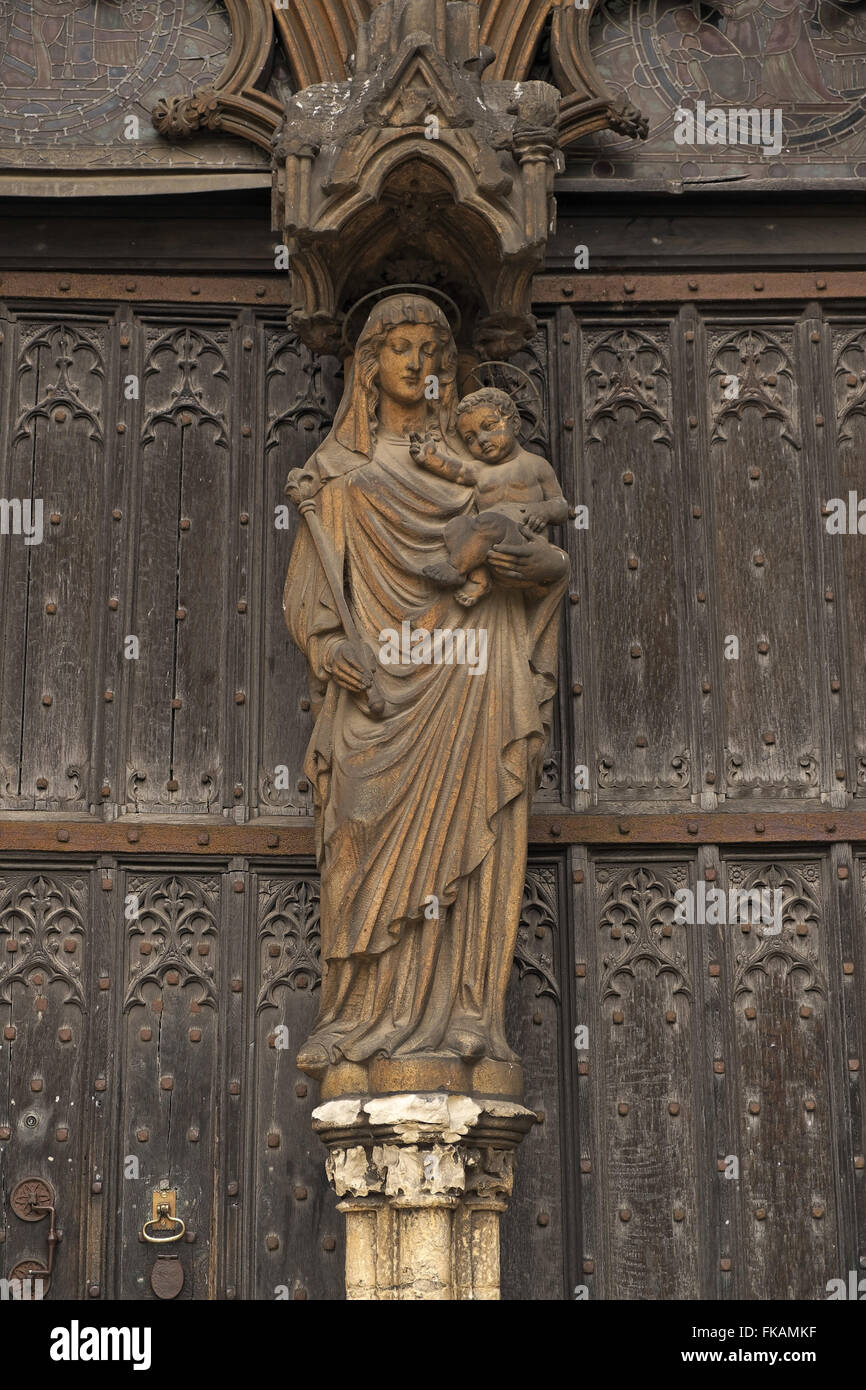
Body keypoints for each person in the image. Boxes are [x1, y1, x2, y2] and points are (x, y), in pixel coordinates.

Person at [283, 294, 568, 1089]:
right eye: (400, 348)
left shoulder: (479, 468)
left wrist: (529, 566)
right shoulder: (336, 476)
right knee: (358, 830)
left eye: (430, 350)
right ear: (368, 364)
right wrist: (334, 644)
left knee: (474, 841)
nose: (417, 363)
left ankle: (468, 1017)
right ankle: (358, 1018)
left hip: (474, 670)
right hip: (376, 694)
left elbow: (545, 560)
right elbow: (311, 594)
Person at [409, 386, 568, 606]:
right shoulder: (480, 470)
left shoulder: (535, 465)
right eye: (470, 438)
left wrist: (543, 510)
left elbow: (561, 505)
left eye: (489, 427)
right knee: (455, 526)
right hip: (487, 542)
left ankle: (455, 568)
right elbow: (455, 470)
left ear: (513, 423)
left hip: (520, 539)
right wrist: (429, 458)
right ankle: (480, 577)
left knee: (490, 522)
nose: (482, 440)